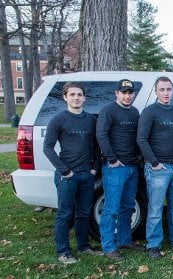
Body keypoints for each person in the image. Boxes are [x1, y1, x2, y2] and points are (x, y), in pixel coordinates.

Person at [43, 82, 102, 264]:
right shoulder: (59, 119)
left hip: (87, 175)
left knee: (84, 212)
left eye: (79, 95)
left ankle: (83, 246)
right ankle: (63, 251)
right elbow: (48, 148)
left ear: (84, 97)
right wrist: (64, 170)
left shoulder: (91, 120)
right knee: (65, 213)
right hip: (67, 177)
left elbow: (97, 147)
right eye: (72, 94)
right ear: (65, 97)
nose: (76, 98)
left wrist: (94, 169)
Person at [137, 76, 173, 260]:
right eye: (162, 89)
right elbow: (142, 139)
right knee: (155, 210)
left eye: (169, 89)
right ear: (156, 91)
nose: (166, 93)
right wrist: (154, 163)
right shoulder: (149, 112)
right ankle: (153, 244)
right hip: (157, 169)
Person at [96, 79, 144, 261]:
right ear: (117, 93)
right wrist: (112, 159)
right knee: (111, 208)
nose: (127, 96)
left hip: (132, 166)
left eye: (130, 92)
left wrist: (138, 157)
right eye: (124, 92)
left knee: (128, 206)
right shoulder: (108, 111)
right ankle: (108, 246)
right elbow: (101, 135)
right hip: (116, 168)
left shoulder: (134, 112)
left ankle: (125, 240)